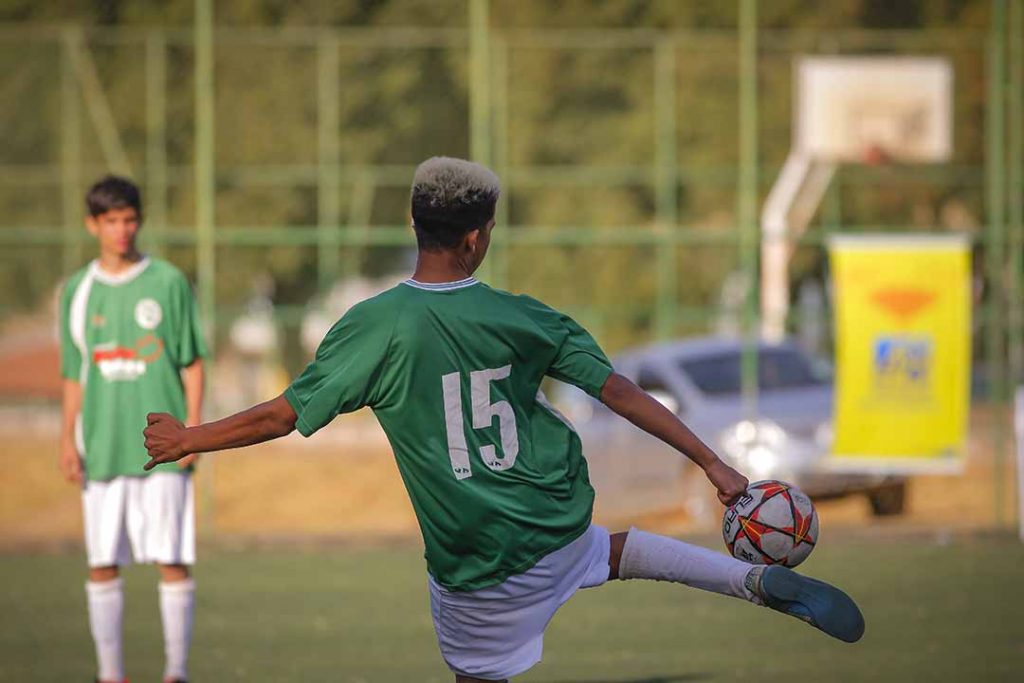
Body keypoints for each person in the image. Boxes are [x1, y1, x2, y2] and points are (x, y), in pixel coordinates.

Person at [142, 157, 863, 682]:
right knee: (614, 553)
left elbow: (282, 414)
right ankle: (752, 582)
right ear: (478, 238)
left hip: (475, 562)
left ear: (415, 225)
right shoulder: (525, 316)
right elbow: (621, 392)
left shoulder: (374, 326)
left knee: (480, 677)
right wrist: (713, 462)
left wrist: (187, 437)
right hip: (547, 518)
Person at [59, 176, 207, 683]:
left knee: (171, 558)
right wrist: (66, 439)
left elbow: (191, 362)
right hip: (101, 448)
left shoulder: (167, 282)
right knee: (102, 563)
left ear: (138, 222)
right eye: (111, 221)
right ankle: (110, 674)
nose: (122, 230)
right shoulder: (78, 291)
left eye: (129, 219)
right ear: (92, 225)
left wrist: (193, 433)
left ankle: (176, 672)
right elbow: (73, 373)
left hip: (163, 448)